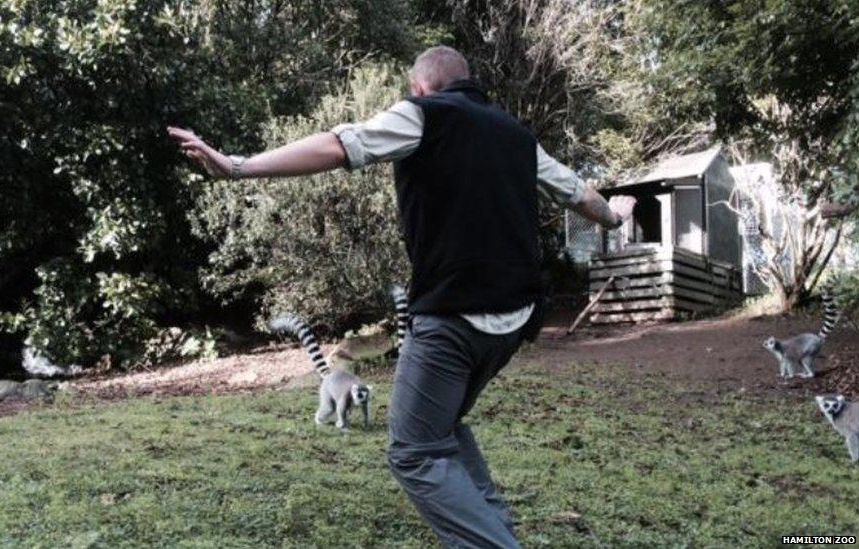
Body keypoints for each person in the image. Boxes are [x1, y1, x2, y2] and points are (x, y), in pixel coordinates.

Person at [169, 45, 636, 548]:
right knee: (441, 423)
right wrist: (616, 216)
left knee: (413, 450)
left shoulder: (424, 115)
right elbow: (578, 194)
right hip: (515, 318)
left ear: (419, 86)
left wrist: (238, 166)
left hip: (453, 319)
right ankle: (494, 525)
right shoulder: (518, 138)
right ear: (469, 82)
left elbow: (338, 145)